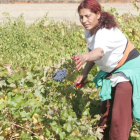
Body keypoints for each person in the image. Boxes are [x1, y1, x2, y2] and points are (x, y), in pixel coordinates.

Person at [71, 0, 140, 139]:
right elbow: (92, 51)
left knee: (118, 120)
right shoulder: (89, 31)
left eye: (88, 16)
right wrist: (84, 74)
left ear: (98, 14)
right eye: (81, 17)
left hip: (127, 71)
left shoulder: (105, 31)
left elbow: (99, 52)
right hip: (112, 72)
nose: (84, 20)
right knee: (106, 115)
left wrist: (85, 56)